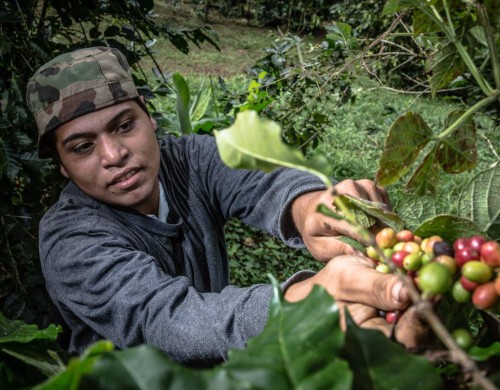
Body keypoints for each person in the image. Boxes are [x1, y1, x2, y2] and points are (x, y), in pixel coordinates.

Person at [26, 46, 428, 366]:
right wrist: (303, 305)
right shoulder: (71, 242)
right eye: (83, 147)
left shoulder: (187, 160)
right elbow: (167, 319)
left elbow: (260, 181)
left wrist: (312, 209)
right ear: (62, 166)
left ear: (150, 119)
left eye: (124, 125)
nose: (114, 154)